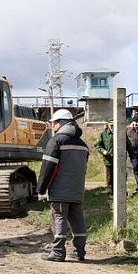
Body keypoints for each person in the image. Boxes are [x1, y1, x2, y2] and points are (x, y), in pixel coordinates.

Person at [37, 109, 90, 262]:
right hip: (77, 190)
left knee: (59, 218)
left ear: (60, 123)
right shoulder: (83, 145)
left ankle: (58, 252)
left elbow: (48, 166)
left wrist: (41, 188)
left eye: (53, 122)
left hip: (60, 190)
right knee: (77, 219)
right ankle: (79, 252)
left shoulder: (56, 141)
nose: (52, 125)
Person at [93, 119, 134, 192]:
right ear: (108, 125)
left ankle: (122, 191)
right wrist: (103, 151)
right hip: (109, 160)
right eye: (111, 125)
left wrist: (132, 156)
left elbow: (129, 146)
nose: (113, 127)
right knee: (110, 177)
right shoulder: (103, 134)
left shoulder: (121, 133)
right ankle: (111, 192)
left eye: (114, 125)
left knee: (121, 175)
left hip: (120, 159)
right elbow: (97, 145)